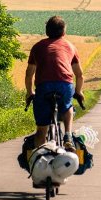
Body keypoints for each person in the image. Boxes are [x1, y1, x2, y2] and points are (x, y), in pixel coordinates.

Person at [25, 15, 85, 151]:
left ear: (47, 31)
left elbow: (29, 74)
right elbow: (79, 75)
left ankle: (40, 155)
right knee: (68, 107)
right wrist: (78, 91)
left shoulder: (37, 47)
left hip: (43, 86)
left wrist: (29, 93)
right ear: (63, 32)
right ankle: (68, 135)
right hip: (64, 84)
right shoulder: (70, 46)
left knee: (41, 129)